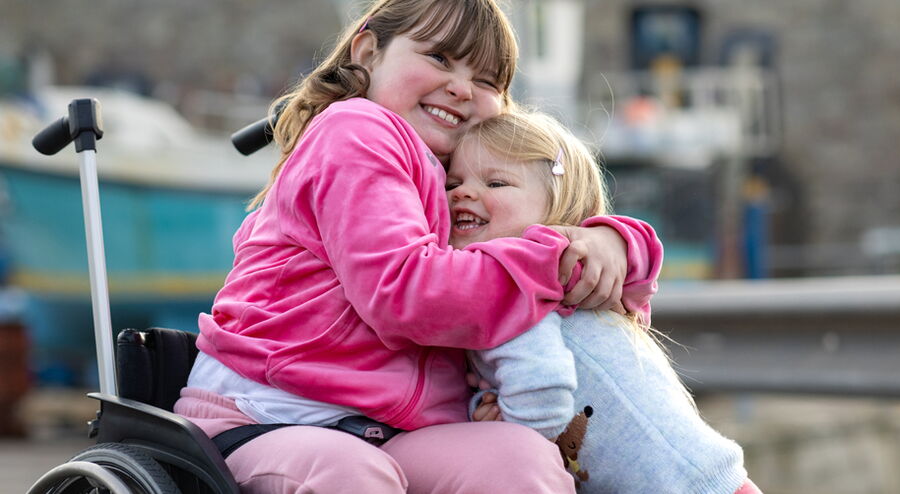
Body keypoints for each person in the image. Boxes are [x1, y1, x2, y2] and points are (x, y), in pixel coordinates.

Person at [174, 1, 662, 492]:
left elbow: (551, 233)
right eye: (440, 58)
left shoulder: (468, 181)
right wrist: (559, 263)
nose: (461, 87)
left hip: (397, 432)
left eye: (488, 81)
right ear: (368, 51)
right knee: (349, 473)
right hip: (270, 411)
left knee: (521, 460)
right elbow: (405, 293)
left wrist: (615, 243)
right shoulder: (356, 132)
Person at [451, 109, 760, 494]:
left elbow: (541, 400)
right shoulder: (563, 285)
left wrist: (500, 431)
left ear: (556, 207)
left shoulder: (513, 281)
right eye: (453, 182)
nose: (462, 192)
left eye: (495, 182)